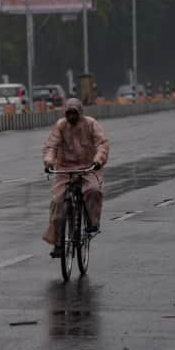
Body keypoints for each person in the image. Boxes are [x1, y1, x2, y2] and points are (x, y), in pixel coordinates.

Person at [42, 99, 109, 258]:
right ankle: (59, 244)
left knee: (92, 190)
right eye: (69, 113)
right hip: (65, 169)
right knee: (57, 203)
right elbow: (51, 146)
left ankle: (92, 222)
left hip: (88, 167)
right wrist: (49, 161)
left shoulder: (91, 124)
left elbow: (102, 144)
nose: (71, 116)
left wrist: (98, 160)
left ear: (80, 112)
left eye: (74, 113)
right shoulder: (61, 126)